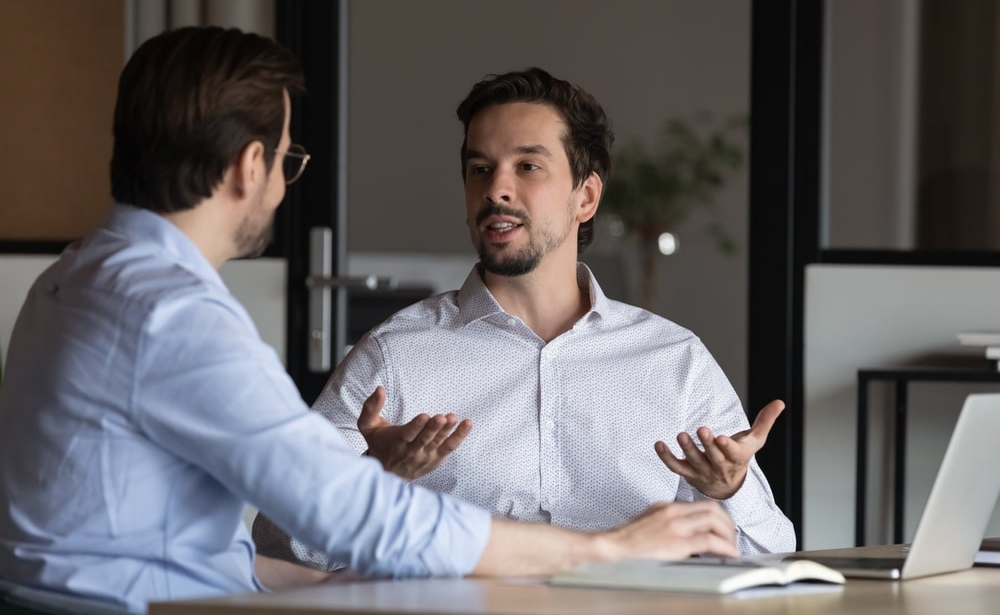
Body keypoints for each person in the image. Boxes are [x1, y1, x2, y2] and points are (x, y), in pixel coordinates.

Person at [0, 28, 740, 615]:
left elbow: (170, 542)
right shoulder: (175, 316)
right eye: (290, 163)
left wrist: (332, 583)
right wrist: (604, 551)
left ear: (587, 195)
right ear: (247, 167)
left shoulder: (74, 275)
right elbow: (348, 510)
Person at [253, 67, 795, 570]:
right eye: (479, 169)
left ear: (585, 197)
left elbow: (770, 554)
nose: (496, 189)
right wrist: (372, 480)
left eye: (528, 166)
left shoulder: (675, 361)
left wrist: (730, 487)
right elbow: (278, 550)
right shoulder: (394, 357)